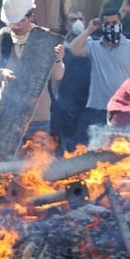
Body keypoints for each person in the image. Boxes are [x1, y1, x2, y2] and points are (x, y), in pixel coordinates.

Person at [0, 0, 65, 139]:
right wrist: (2, 73)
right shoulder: (1, 37)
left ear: (31, 16)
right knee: (4, 163)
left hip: (38, 118)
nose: (16, 27)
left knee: (37, 163)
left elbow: (57, 76)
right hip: (6, 115)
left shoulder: (45, 38)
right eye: (12, 22)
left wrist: (58, 60)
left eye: (20, 21)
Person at [69, 7, 130, 146]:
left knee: (122, 150)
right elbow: (74, 49)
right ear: (103, 26)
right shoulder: (94, 46)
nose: (111, 26)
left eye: (114, 23)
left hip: (123, 110)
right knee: (96, 149)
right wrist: (89, 30)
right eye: (108, 24)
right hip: (98, 108)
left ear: (120, 24)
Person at [50, 10, 91, 155]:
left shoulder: (91, 45)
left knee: (81, 145)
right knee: (61, 145)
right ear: (67, 23)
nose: (78, 22)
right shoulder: (59, 45)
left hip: (86, 104)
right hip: (63, 104)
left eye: (80, 19)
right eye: (73, 20)